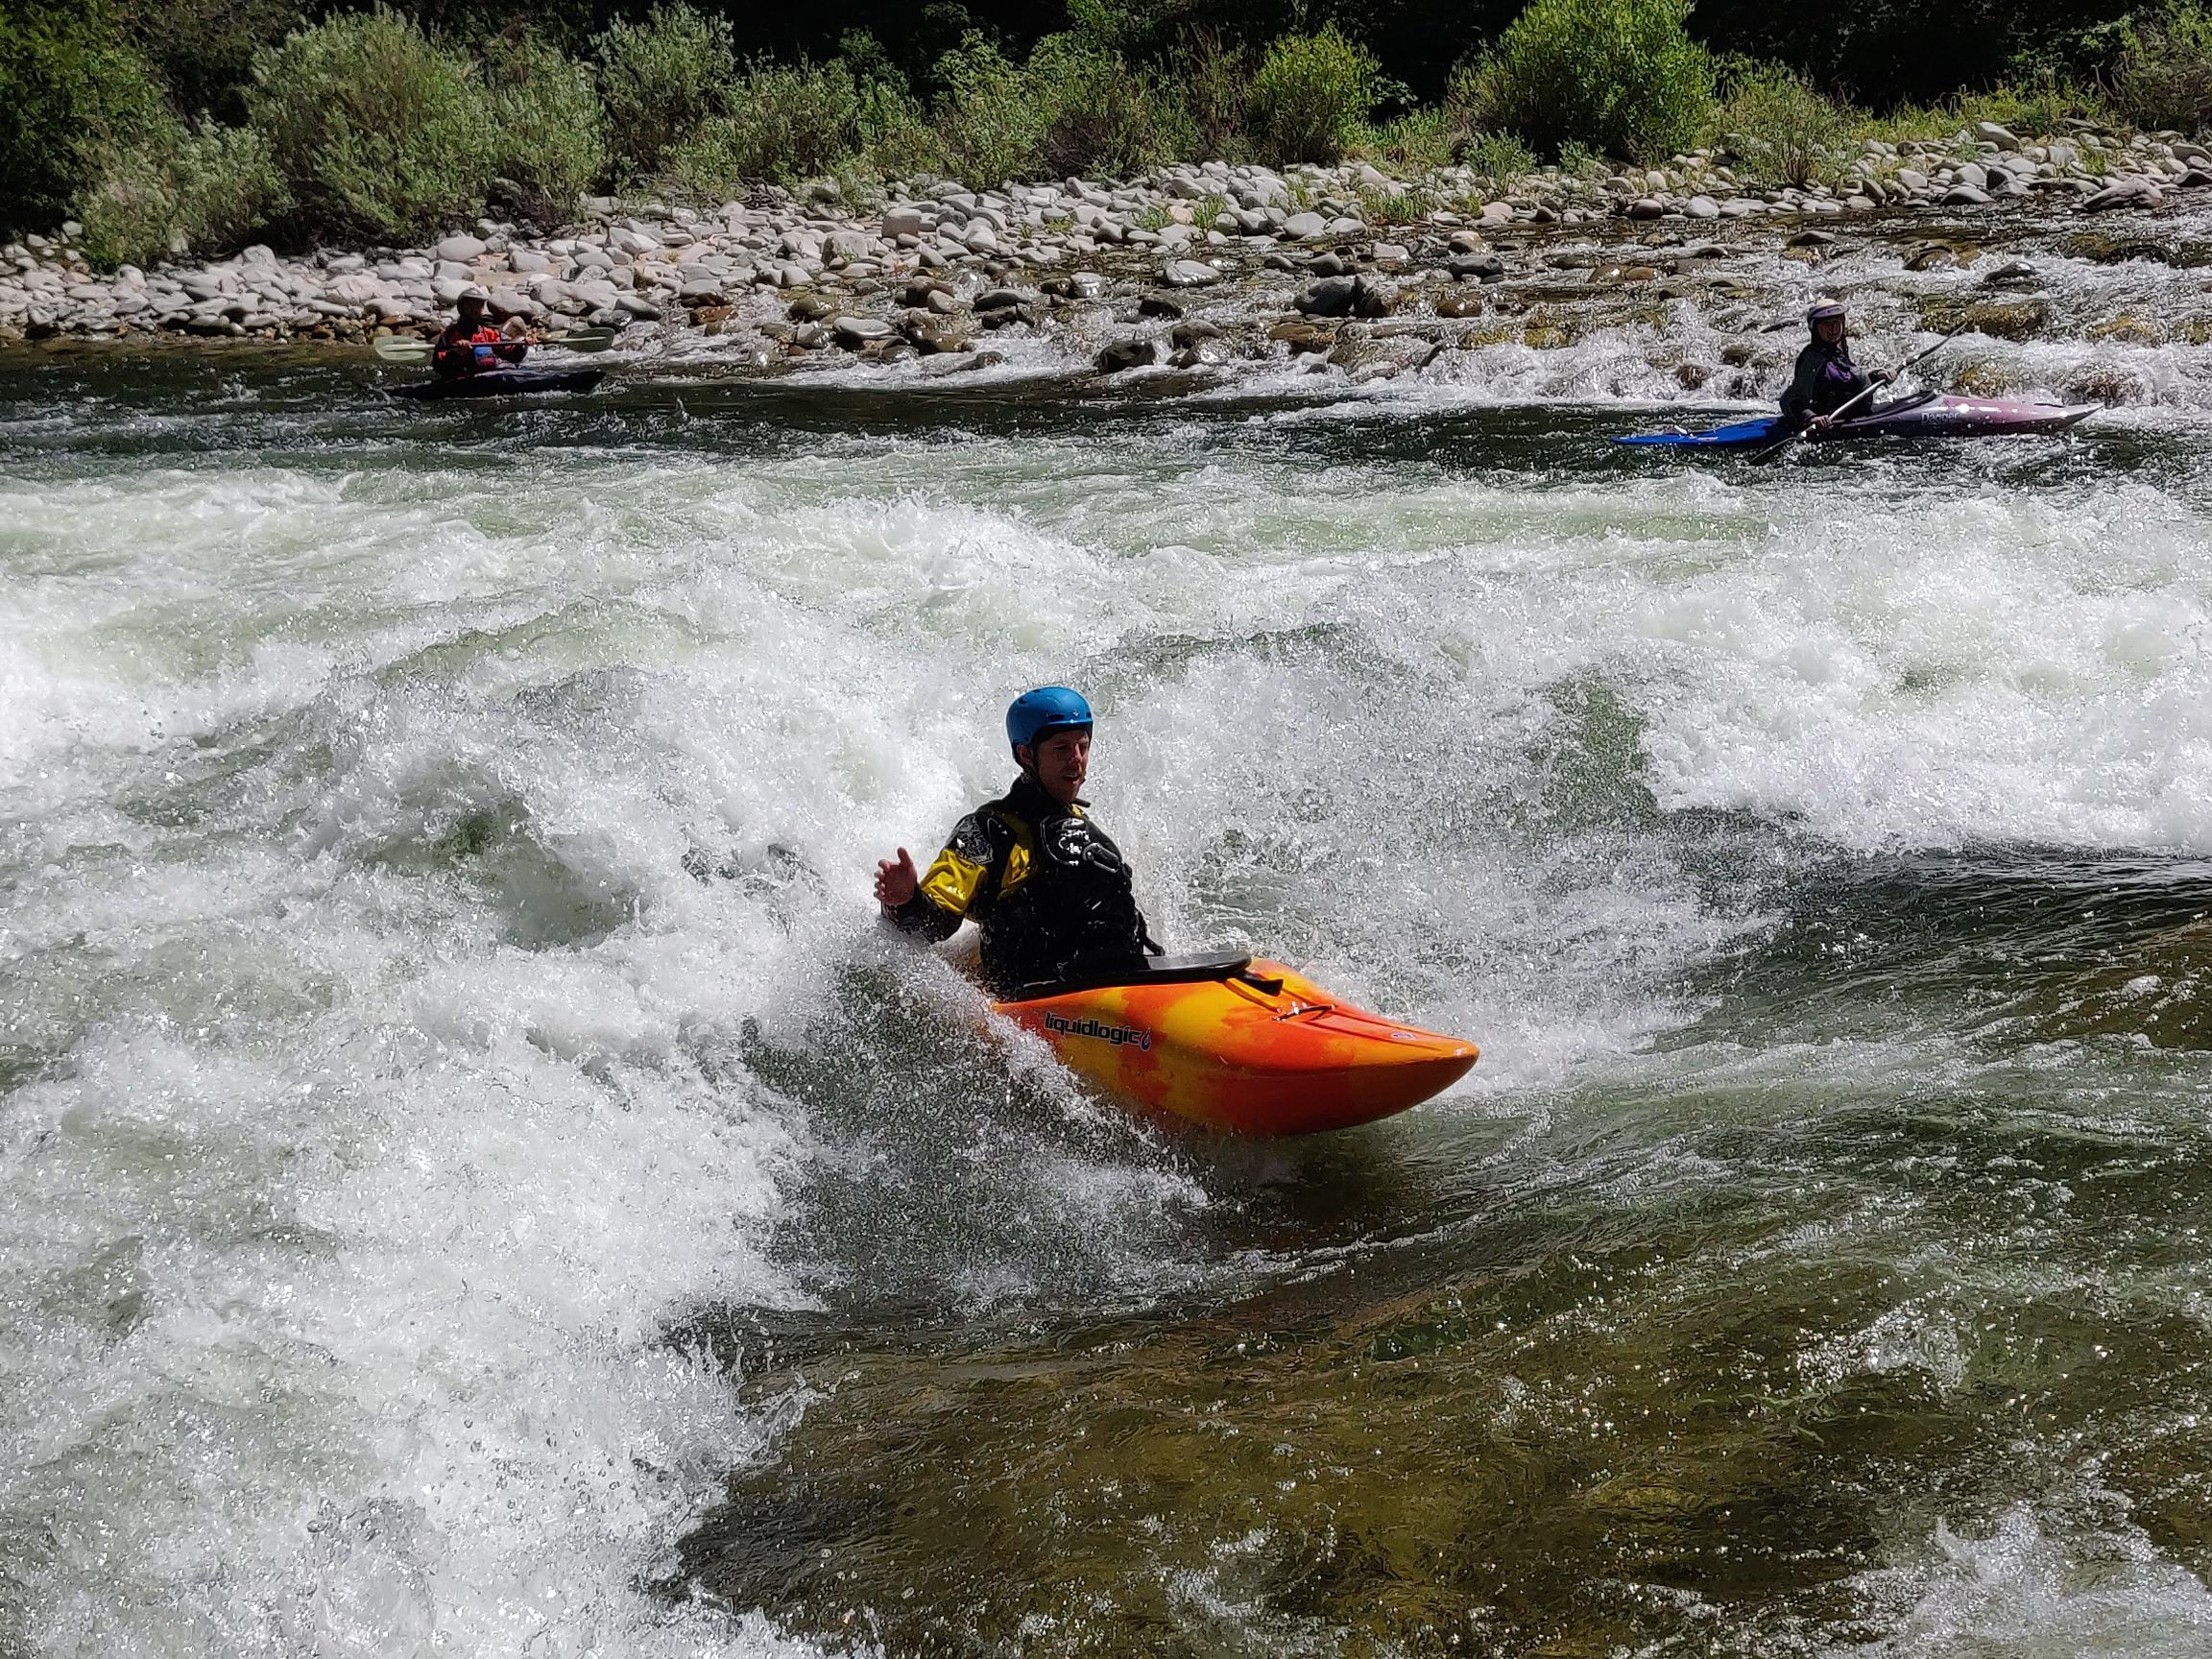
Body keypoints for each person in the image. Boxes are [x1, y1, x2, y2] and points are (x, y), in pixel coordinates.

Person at [875, 686, 1161, 998]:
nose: (1076, 761)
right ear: (1026, 755)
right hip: (1027, 999)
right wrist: (904, 900)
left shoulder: (1076, 824)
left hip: (1107, 986)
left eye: (1082, 746)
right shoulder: (985, 832)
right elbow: (933, 925)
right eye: (1061, 749)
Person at [1781, 302, 1894, 432]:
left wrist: (1877, 376)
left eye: (1836, 323)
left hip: (1855, 416)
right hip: (1829, 424)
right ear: (1816, 328)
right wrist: (1811, 418)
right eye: (1827, 325)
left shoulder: (1839, 352)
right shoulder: (1811, 362)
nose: (1833, 330)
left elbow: (1849, 384)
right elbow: (1789, 399)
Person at [432, 286, 531, 380]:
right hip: (462, 381)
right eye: (469, 306)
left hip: (489, 378)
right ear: (461, 308)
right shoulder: (449, 335)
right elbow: (438, 365)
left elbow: (513, 356)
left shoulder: (488, 334)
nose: (474, 310)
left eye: (477, 306)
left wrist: (523, 345)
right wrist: (456, 353)